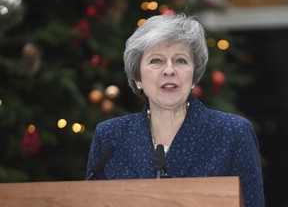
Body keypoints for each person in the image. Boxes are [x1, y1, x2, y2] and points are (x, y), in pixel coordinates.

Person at [86, 13, 265, 207]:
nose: (169, 70)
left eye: (180, 60)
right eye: (156, 61)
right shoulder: (110, 136)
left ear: (194, 76)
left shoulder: (233, 133)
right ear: (138, 78)